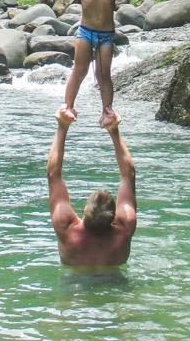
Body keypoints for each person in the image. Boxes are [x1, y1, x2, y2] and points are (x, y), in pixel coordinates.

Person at [12, 0, 178, 127]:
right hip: (85, 32)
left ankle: (107, 110)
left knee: (103, 74)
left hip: (106, 36)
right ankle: (68, 105)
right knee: (79, 70)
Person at [47, 106, 136, 267]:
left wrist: (62, 126)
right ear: (115, 216)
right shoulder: (124, 229)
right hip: (116, 285)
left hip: (74, 287)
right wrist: (114, 130)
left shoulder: (66, 229)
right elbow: (128, 176)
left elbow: (53, 175)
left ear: (83, 212)